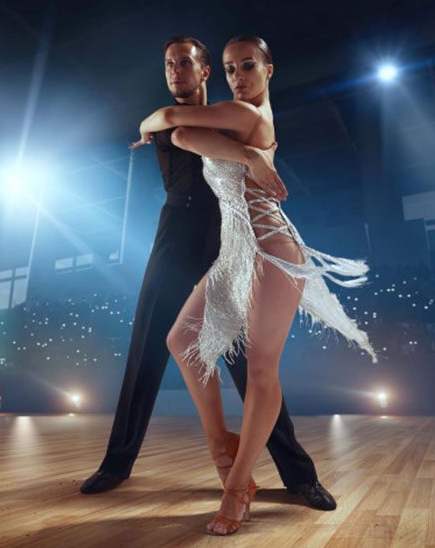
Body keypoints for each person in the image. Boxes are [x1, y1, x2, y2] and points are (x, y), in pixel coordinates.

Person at [81, 36, 339, 514]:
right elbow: (175, 129)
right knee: (152, 345)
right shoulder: (179, 119)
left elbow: (195, 130)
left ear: (204, 73)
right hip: (177, 236)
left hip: (231, 238)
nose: (175, 71)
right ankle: (118, 464)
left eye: (185, 63)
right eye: (168, 64)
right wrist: (244, 154)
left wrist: (248, 153)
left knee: (247, 359)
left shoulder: (234, 113)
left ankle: (296, 474)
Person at [135, 35, 377, 536]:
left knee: (262, 367)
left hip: (271, 248)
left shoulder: (251, 118)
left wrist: (237, 150)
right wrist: (249, 159)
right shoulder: (236, 123)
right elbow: (181, 137)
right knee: (181, 340)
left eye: (248, 66)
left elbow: (171, 124)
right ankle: (221, 444)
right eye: (228, 69)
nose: (238, 76)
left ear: (270, 69)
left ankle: (237, 486)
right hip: (237, 252)